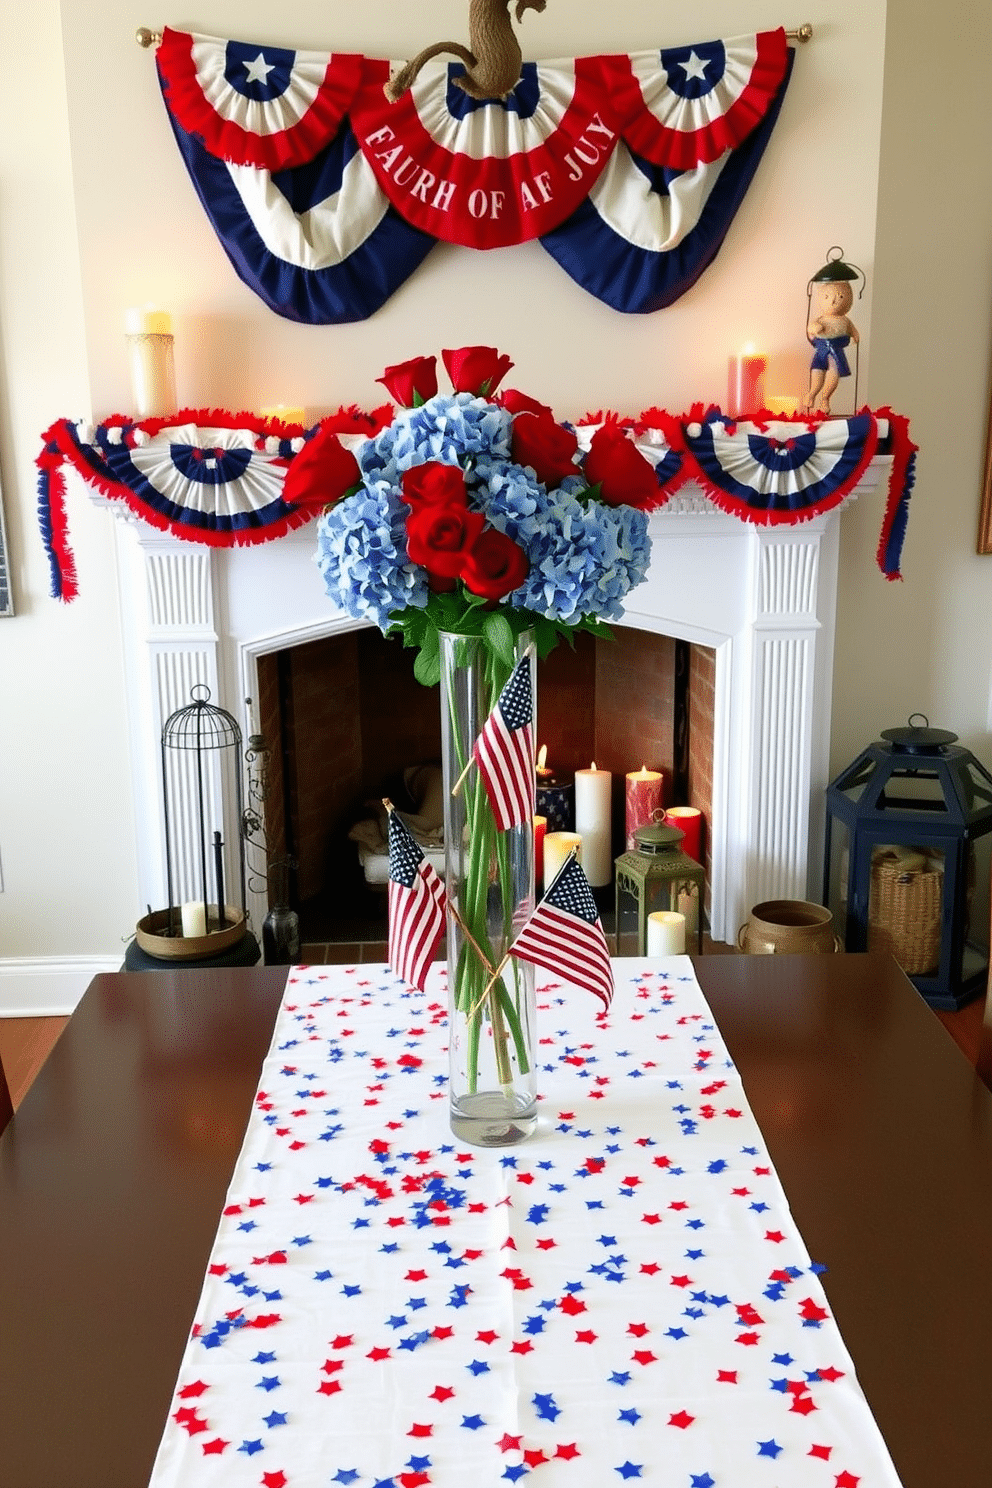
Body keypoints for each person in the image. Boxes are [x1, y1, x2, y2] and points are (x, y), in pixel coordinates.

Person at [802, 278, 859, 414]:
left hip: (837, 352)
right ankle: (812, 393)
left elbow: (853, 331)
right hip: (821, 351)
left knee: (834, 375)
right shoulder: (820, 319)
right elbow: (810, 328)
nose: (833, 301)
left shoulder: (845, 321)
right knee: (817, 376)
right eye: (827, 297)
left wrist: (855, 336)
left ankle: (825, 398)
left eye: (840, 296)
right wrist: (815, 328)